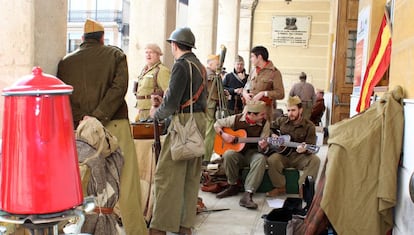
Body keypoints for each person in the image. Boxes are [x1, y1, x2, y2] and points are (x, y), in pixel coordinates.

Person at [57, 19, 147, 235]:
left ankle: (66, 228)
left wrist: (85, 120)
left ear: (82, 39)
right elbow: (119, 89)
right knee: (126, 181)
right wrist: (98, 116)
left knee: (80, 181)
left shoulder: (65, 63)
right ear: (102, 38)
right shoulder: (116, 56)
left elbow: (64, 98)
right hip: (114, 124)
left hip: (81, 131)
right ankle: (136, 231)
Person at [148, 27, 207, 235]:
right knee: (191, 178)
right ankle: (184, 226)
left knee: (166, 177)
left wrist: (155, 114)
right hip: (198, 123)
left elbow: (172, 104)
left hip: (183, 124)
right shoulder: (199, 65)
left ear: (174, 45)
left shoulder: (181, 66)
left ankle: (160, 227)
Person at [213, 101, 271, 210]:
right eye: (262, 114)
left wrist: (263, 146)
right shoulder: (236, 119)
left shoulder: (265, 123)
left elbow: (263, 145)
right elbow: (217, 124)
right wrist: (224, 135)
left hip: (252, 153)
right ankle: (233, 185)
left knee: (261, 159)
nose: (264, 116)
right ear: (252, 114)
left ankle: (248, 194)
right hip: (237, 153)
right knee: (228, 154)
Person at [266, 96, 321, 197]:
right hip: (284, 155)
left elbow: (311, 145)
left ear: (300, 110)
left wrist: (305, 149)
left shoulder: (309, 126)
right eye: (288, 110)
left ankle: (304, 189)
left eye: (293, 110)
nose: (290, 113)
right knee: (272, 160)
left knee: (315, 160)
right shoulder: (282, 120)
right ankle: (280, 187)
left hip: (300, 156)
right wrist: (272, 134)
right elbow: (269, 127)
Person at [242, 46, 285, 123]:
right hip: (249, 110)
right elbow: (246, 86)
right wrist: (245, 94)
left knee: (262, 134)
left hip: (263, 113)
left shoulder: (274, 72)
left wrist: (263, 93)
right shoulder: (253, 71)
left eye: (252, 56)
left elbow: (281, 94)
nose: (250, 59)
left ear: (259, 57)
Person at [134, 43, 170, 122]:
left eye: (151, 52)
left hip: (153, 112)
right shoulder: (144, 70)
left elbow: (168, 92)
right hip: (142, 111)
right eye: (146, 52)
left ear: (158, 55)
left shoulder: (161, 71)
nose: (148, 55)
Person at [204, 54, 226, 162]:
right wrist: (222, 95)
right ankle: (206, 157)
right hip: (210, 106)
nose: (219, 66)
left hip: (210, 106)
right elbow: (213, 93)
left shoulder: (210, 73)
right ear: (210, 63)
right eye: (217, 64)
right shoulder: (210, 75)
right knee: (210, 132)